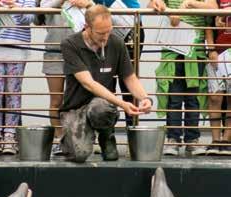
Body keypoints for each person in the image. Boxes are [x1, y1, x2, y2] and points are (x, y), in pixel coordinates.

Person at [60, 4, 152, 163]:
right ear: (87, 27)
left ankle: (106, 135)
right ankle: (80, 136)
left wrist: (145, 98)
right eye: (101, 33)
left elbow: (129, 77)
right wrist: (122, 104)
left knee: (101, 107)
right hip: (75, 107)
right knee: (78, 155)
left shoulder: (116, 43)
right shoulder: (70, 44)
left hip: (101, 105)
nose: (105, 37)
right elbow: (89, 83)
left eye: (109, 31)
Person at [148, 0, 217, 156]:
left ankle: (192, 140)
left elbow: (213, 8)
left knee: (193, 99)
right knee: (174, 99)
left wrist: (190, 4)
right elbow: (152, 4)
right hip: (173, 52)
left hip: (195, 54)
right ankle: (173, 139)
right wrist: (166, 9)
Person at [0, 0, 35, 155]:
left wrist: (16, 6)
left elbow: (31, 17)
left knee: (13, 92)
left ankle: (10, 137)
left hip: (18, 46)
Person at [40, 0, 93, 155]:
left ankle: (80, 139)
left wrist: (87, 4)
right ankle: (60, 140)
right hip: (54, 50)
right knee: (56, 100)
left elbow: (96, 11)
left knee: (80, 98)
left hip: (81, 51)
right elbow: (40, 11)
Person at [93, 0, 145, 127]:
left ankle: (132, 131)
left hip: (128, 26)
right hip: (100, 27)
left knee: (127, 82)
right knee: (104, 81)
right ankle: (106, 134)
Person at [205, 2, 231, 155]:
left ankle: (227, 139)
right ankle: (215, 140)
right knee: (215, 97)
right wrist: (211, 48)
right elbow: (208, 23)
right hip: (218, 52)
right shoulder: (214, 0)